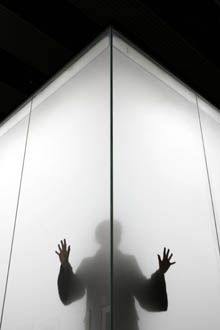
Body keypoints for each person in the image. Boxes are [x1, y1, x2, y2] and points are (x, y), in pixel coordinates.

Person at [56, 221, 175, 330]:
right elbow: (73, 292)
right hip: (103, 324)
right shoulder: (93, 264)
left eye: (116, 234)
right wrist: (65, 266)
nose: (115, 238)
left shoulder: (126, 263)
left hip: (118, 325)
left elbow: (144, 293)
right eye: (113, 234)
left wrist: (160, 273)